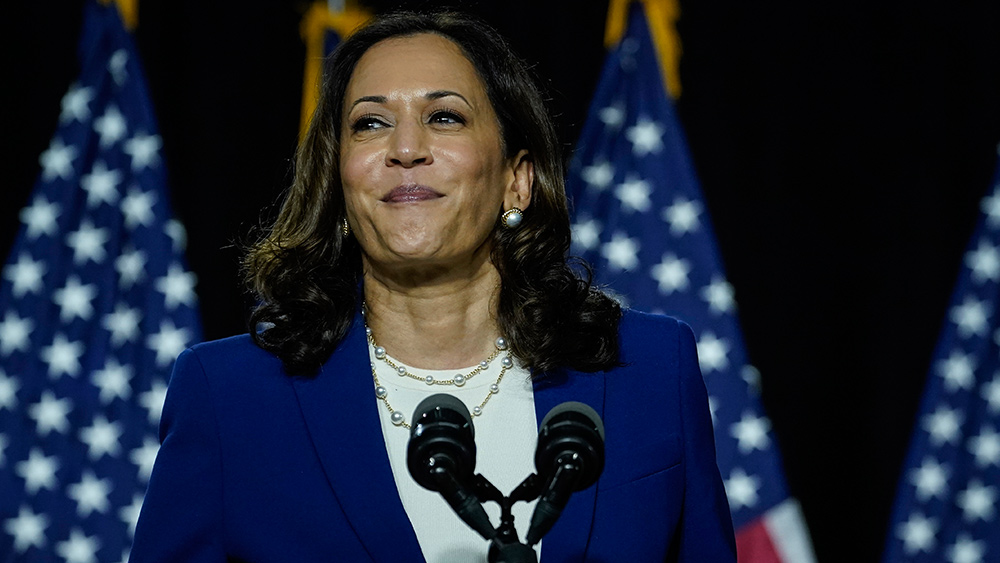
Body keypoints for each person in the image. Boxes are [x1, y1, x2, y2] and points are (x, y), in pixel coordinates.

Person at [130, 10, 736, 563]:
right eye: (370, 124)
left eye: (444, 117)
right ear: (338, 185)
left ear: (517, 181)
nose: (405, 149)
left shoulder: (652, 369)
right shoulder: (228, 398)